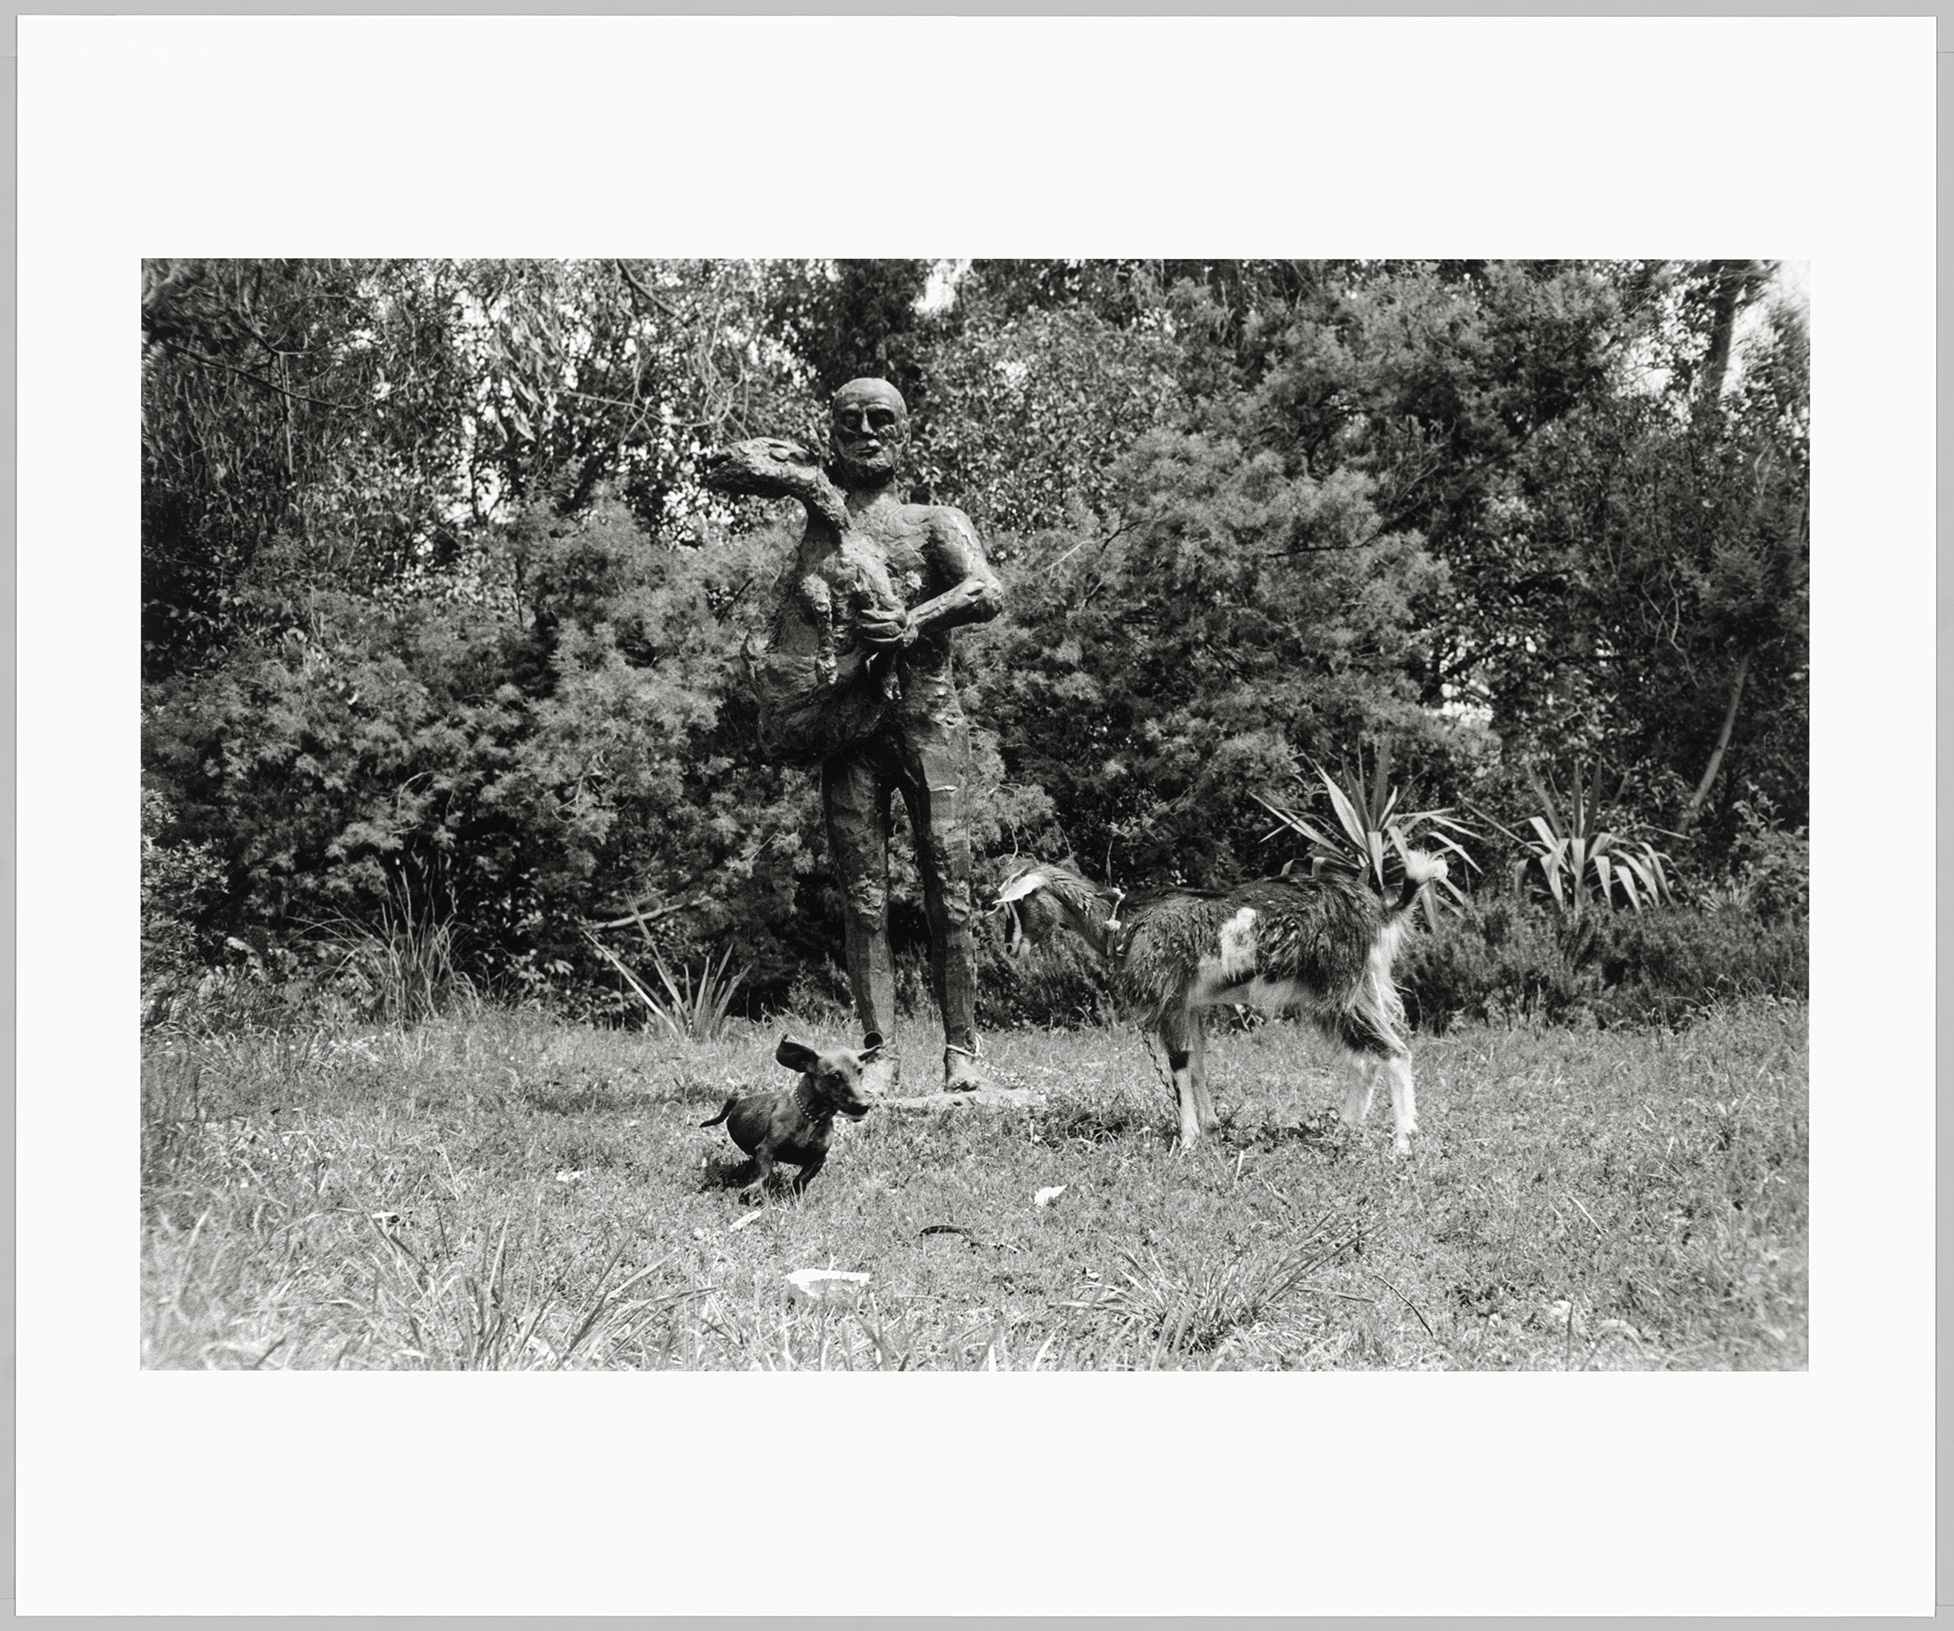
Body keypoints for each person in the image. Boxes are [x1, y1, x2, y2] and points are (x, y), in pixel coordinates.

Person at [814, 378, 1003, 1091]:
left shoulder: (934, 522)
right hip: (849, 732)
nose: (865, 431)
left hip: (929, 723)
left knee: (949, 889)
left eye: (881, 419)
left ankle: (963, 1052)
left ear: (905, 431)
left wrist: (917, 620)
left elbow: (988, 589)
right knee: (862, 898)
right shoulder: (823, 531)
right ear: (831, 433)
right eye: (851, 420)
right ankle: (879, 1052)